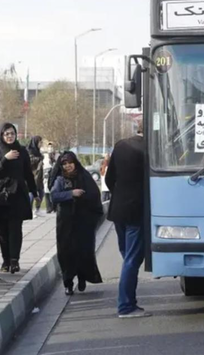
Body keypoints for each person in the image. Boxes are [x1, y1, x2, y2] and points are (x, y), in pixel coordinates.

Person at [105, 119, 150, 319]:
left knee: (127, 256)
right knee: (132, 259)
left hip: (118, 209)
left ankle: (128, 299)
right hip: (136, 210)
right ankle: (126, 305)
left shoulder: (120, 145)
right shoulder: (150, 149)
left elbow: (109, 178)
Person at [0, 123, 38, 274]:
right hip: (2, 196)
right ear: (1, 136)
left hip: (18, 195)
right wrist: (5, 159)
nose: (10, 136)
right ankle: (5, 261)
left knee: (16, 229)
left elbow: (28, 173)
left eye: (12, 133)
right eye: (6, 134)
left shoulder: (21, 151)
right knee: (3, 230)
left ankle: (14, 260)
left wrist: (34, 192)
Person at [50, 152, 103, 296]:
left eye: (70, 163)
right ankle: (68, 282)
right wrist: (71, 194)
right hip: (66, 223)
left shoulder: (84, 176)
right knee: (66, 252)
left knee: (83, 251)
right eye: (64, 164)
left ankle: (82, 277)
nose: (68, 166)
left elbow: (94, 195)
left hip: (83, 222)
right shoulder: (60, 179)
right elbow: (54, 196)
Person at [27, 136, 45, 217]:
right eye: (40, 142)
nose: (41, 144)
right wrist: (39, 159)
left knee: (41, 193)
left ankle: (37, 209)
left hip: (39, 176)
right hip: (33, 175)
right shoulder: (30, 151)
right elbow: (30, 161)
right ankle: (29, 210)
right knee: (32, 193)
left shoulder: (38, 152)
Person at [43, 146, 56, 214]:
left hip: (52, 178)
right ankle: (49, 208)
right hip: (47, 177)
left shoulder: (55, 160)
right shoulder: (46, 160)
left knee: (50, 192)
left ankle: (52, 207)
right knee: (47, 192)